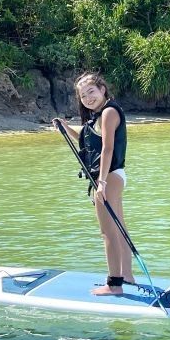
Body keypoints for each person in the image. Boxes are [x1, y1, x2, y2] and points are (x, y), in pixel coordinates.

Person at [53, 72, 133, 296]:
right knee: (119, 229)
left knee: (108, 232)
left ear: (102, 90)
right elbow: (87, 141)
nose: (88, 98)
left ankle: (114, 284)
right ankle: (126, 275)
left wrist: (102, 183)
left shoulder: (108, 112)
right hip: (114, 176)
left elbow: (107, 148)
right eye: (83, 95)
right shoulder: (98, 116)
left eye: (91, 92)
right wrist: (65, 129)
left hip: (108, 178)